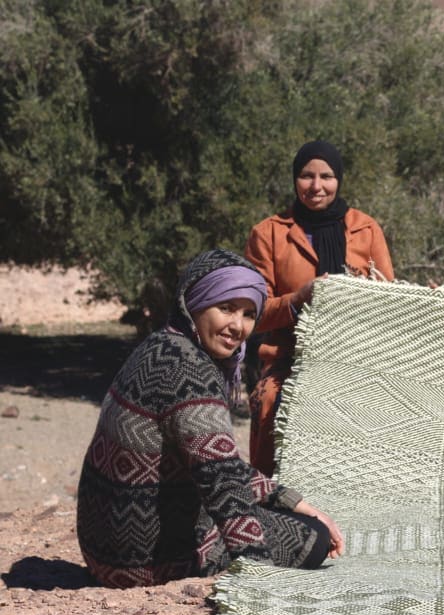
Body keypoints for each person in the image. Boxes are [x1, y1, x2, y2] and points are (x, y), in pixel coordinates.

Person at [77, 249, 345, 588]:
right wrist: (257, 573)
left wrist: (293, 500)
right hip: (146, 562)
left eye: (249, 314)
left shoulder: (160, 346)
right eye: (226, 308)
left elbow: (218, 461)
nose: (238, 326)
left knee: (289, 514)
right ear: (197, 302)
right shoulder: (191, 371)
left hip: (103, 550)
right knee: (314, 536)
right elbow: (221, 481)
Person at [245, 140, 394, 475]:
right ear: (294, 179)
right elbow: (254, 312)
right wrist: (298, 299)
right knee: (270, 401)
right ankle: (267, 499)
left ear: (338, 179)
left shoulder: (365, 229)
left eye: (326, 176)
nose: (316, 186)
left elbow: (389, 300)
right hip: (289, 357)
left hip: (357, 357)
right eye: (306, 176)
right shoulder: (268, 233)